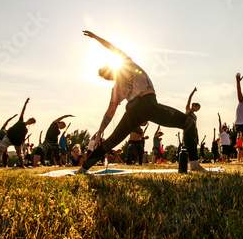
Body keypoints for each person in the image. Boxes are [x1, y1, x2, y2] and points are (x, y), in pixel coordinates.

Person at [76, 30, 205, 174]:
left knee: (112, 141)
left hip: (135, 110)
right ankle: (194, 165)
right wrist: (95, 37)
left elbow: (110, 112)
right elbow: (111, 47)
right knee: (188, 123)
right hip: (148, 105)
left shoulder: (119, 81)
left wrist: (100, 132)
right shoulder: (126, 65)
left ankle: (83, 169)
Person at [0, 98, 36, 168]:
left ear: (32, 123)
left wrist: (21, 145)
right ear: (29, 119)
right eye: (30, 119)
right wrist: (25, 103)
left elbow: (22, 139)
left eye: (32, 121)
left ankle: (22, 165)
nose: (30, 121)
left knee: (20, 155)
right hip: (9, 137)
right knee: (0, 150)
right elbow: (23, 112)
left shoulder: (25, 130)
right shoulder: (20, 121)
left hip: (17, 142)